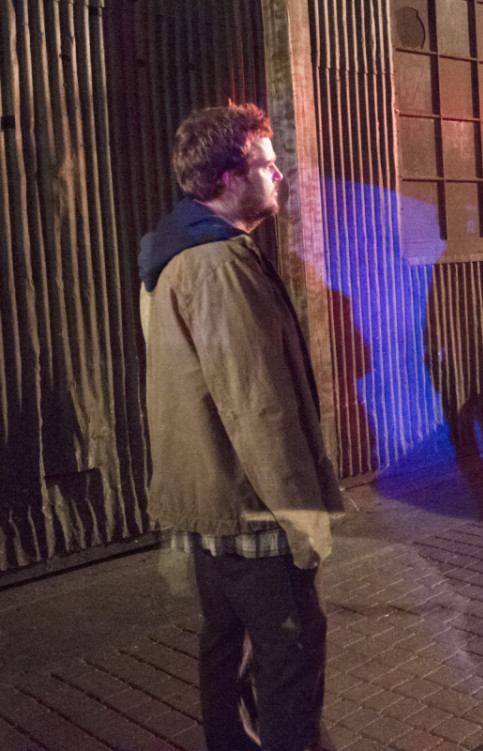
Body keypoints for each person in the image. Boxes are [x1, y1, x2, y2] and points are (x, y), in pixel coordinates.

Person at [138, 103, 343, 751]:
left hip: (208, 499)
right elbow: (258, 408)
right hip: (250, 503)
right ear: (229, 178)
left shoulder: (172, 254)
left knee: (224, 643)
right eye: (266, 164)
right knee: (292, 648)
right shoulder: (219, 265)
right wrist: (302, 518)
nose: (279, 174)